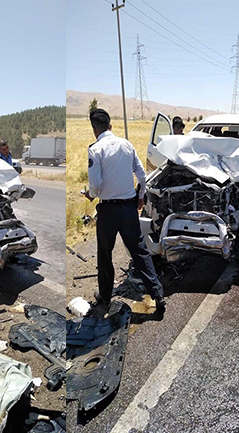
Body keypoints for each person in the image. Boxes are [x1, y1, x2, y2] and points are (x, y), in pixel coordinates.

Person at [85, 108, 166, 314]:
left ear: (94, 129)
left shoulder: (95, 149)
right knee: (140, 252)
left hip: (108, 211)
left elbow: (95, 184)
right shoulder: (127, 145)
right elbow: (142, 175)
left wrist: (90, 194)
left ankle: (104, 298)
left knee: (105, 254)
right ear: (110, 126)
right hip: (129, 208)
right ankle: (158, 294)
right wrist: (140, 197)